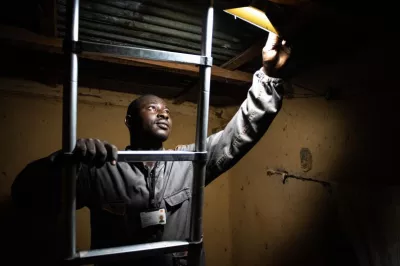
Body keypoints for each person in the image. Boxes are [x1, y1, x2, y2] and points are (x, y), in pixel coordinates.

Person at [11, 33, 291, 266]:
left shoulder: (187, 161)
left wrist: (267, 75)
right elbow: (25, 194)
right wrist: (65, 160)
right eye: (152, 108)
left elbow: (237, 135)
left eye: (167, 110)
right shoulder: (100, 168)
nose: (163, 114)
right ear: (129, 120)